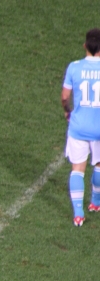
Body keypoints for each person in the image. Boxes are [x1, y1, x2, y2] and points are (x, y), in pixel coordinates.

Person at [61, 28, 100, 227]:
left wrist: (67, 111)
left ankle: (78, 214)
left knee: (77, 169)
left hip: (78, 127)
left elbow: (65, 97)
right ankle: (95, 202)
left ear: (85, 46)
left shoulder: (74, 67)